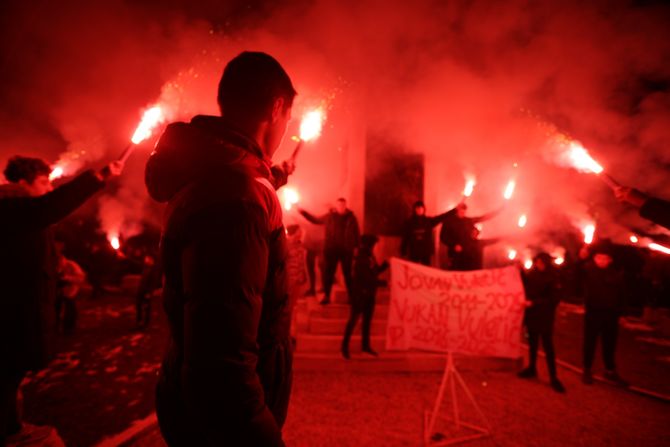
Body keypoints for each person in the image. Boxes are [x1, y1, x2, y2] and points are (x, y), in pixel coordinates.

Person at [145, 51, 297, 446]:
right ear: (277, 106)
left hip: (202, 414)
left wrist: (271, 177)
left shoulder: (223, 176)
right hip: (226, 428)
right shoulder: (238, 199)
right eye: (288, 117)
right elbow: (221, 360)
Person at [0, 155, 121, 446]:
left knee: (11, 374)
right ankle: (8, 432)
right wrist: (99, 176)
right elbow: (49, 207)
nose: (48, 188)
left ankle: (10, 425)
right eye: (43, 182)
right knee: (5, 373)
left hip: (20, 308)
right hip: (9, 311)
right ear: (21, 183)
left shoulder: (23, 212)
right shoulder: (10, 205)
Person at [580, 240, 628, 386]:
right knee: (590, 342)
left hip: (611, 316)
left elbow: (621, 295)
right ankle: (587, 370)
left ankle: (610, 371)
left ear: (610, 260)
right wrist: (581, 258)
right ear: (594, 258)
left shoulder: (616, 274)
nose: (601, 260)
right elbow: (576, 273)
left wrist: (622, 314)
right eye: (598, 257)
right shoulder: (588, 269)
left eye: (604, 258)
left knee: (610, 344)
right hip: (593, 313)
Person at [517, 253, 565, 393]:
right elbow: (527, 286)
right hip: (532, 316)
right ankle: (532, 368)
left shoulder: (553, 277)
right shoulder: (533, 274)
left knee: (548, 347)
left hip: (545, 317)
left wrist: (534, 303)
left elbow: (553, 299)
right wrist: (520, 272)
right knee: (532, 344)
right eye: (537, 262)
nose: (539, 265)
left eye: (541, 263)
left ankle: (553, 377)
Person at [298, 198, 360, 305]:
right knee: (329, 274)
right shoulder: (329, 217)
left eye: (342, 205)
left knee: (348, 274)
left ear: (345, 206)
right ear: (336, 206)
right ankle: (327, 296)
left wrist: (357, 248)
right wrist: (303, 212)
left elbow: (356, 233)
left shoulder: (351, 218)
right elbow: (315, 220)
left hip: (346, 250)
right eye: (339, 205)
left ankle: (351, 297)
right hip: (332, 250)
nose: (341, 207)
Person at [341, 234, 389, 359]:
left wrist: (385, 265)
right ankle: (344, 347)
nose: (375, 247)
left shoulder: (369, 256)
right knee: (353, 320)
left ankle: (366, 346)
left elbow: (374, 271)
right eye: (374, 244)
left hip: (369, 294)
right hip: (360, 294)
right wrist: (383, 283)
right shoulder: (361, 258)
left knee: (367, 322)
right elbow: (366, 278)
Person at [439, 201, 501, 271]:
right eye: (461, 211)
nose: (462, 213)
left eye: (464, 212)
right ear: (456, 210)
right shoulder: (449, 221)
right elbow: (443, 237)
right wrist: (453, 245)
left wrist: (498, 211)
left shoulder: (468, 221)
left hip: (468, 256)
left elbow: (482, 218)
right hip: (455, 255)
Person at [400, 200, 450, 266]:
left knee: (425, 271)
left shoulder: (428, 221)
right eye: (417, 208)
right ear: (414, 209)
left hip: (426, 252)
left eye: (421, 208)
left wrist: (454, 210)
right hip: (414, 251)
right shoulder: (409, 223)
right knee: (413, 271)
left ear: (424, 209)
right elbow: (405, 237)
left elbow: (441, 217)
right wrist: (403, 251)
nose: (419, 210)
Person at [55, 251, 86, 335]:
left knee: (70, 310)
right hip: (58, 292)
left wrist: (66, 279)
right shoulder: (54, 265)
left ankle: (69, 329)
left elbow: (80, 278)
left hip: (70, 291)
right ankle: (57, 327)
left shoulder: (71, 265)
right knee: (56, 310)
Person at [135, 254, 162, 330]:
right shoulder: (145, 268)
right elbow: (135, 263)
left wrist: (149, 293)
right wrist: (124, 257)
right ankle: (139, 322)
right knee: (138, 306)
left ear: (151, 260)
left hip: (146, 292)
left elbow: (153, 282)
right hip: (141, 291)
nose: (145, 259)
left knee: (146, 308)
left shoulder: (154, 270)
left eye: (147, 258)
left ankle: (146, 324)